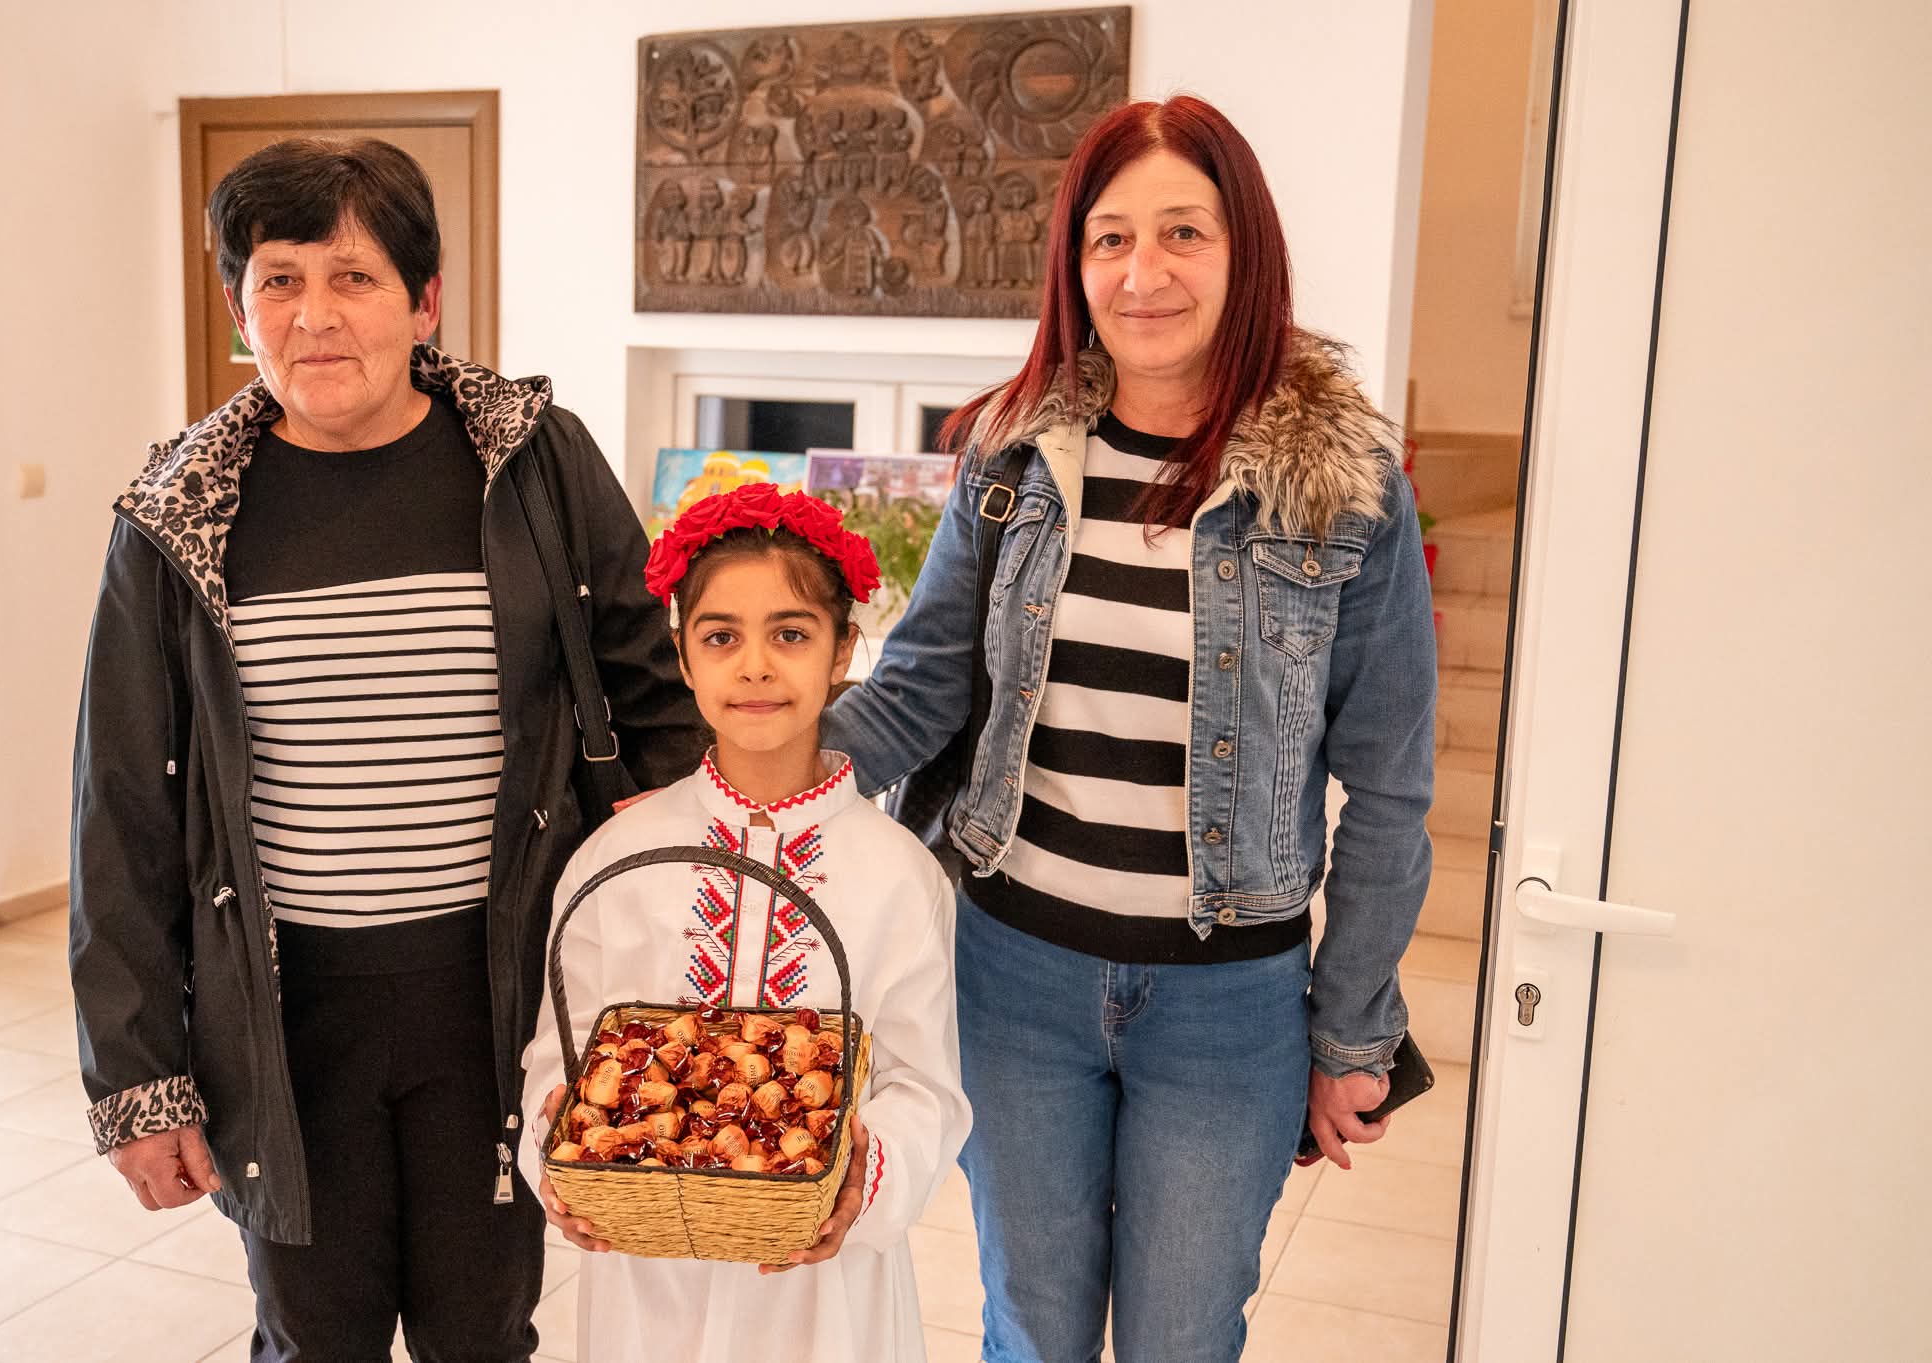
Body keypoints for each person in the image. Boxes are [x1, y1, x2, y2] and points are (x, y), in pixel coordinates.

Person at [823, 94, 1437, 1363]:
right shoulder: (1011, 458)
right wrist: (736, 773)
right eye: (1109, 238)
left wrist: (1349, 1032)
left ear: (1243, 251)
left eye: (1181, 233)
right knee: (1030, 1330)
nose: (1142, 273)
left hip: (1228, 1005)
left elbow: (1387, 792)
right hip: (1010, 977)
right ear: (1074, 261)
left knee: (1181, 1340)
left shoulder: (1344, 492)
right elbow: (920, 686)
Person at [69, 136, 702, 1362]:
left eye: (353, 277)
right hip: (286, 1013)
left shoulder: (533, 463)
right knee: (316, 1335)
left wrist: (669, 943)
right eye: (279, 279)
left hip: (499, 996)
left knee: (482, 1331)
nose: (314, 316)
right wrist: (133, 1080)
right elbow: (121, 809)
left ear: (425, 302)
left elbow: (652, 703)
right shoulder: (175, 517)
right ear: (239, 310)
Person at [520, 486, 972, 1363]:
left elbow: (927, 1089)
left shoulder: (900, 874)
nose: (756, 666)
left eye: (791, 634)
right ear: (683, 658)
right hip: (650, 1281)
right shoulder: (617, 859)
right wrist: (559, 1158)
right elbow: (560, 1055)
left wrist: (861, 1182)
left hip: (824, 1296)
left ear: (844, 650)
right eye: (721, 636)